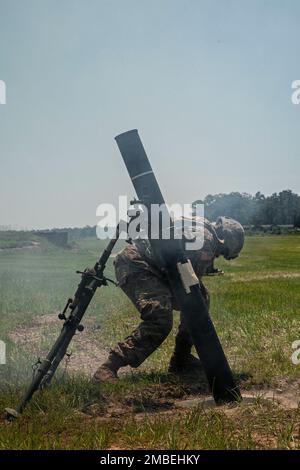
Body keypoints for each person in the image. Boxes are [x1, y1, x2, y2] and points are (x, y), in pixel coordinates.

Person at [93, 216, 244, 383]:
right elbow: (189, 284)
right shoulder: (207, 243)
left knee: (201, 298)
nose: (217, 257)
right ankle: (109, 366)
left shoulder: (199, 223)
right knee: (160, 318)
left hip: (150, 264)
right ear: (226, 242)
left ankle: (181, 360)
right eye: (222, 254)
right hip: (138, 264)